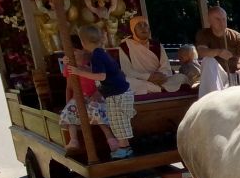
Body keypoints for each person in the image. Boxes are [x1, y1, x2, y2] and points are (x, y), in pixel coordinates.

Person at [66, 25, 136, 159]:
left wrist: (79, 72)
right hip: (119, 91)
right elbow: (98, 72)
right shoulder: (100, 53)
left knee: (118, 121)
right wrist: (81, 70)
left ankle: (123, 147)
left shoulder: (97, 56)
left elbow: (101, 76)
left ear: (83, 42)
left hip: (117, 93)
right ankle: (125, 146)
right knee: (118, 121)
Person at [59, 38, 116, 158]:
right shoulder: (69, 67)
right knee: (70, 110)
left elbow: (102, 83)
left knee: (96, 109)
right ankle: (74, 140)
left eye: (74, 52)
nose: (71, 55)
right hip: (79, 98)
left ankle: (111, 139)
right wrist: (68, 102)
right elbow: (69, 87)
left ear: (83, 50)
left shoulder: (93, 63)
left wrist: (97, 94)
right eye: (68, 53)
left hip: (95, 95)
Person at [195, 6, 240, 97]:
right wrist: (219, 52)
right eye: (217, 19)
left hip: (236, 74)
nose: (222, 22)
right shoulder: (203, 34)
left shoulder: (236, 35)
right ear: (209, 20)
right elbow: (202, 51)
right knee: (208, 61)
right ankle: (213, 100)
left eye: (224, 19)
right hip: (218, 76)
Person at [119, 15, 186, 94]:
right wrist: (148, 77)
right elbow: (127, 71)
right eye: (139, 25)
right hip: (140, 80)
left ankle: (155, 87)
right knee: (128, 82)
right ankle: (159, 88)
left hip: (160, 79)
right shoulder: (125, 46)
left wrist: (160, 76)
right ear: (133, 29)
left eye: (145, 25)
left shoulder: (157, 45)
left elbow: (166, 67)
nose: (143, 28)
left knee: (181, 77)